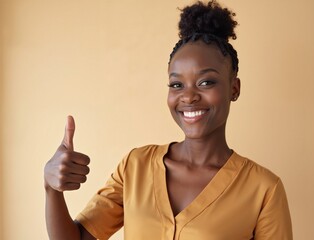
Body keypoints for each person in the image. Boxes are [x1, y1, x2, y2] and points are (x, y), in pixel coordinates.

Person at [44, 1, 293, 239]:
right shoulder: (135, 167)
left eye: (206, 82)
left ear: (234, 88)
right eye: (177, 84)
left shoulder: (264, 189)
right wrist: (51, 188)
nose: (188, 96)